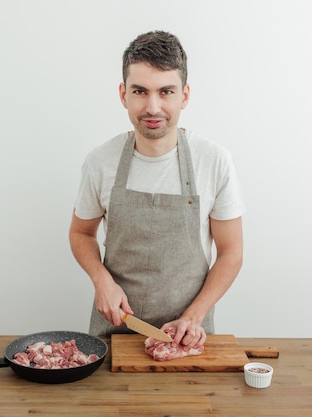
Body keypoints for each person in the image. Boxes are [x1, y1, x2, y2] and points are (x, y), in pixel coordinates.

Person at [69, 30, 244, 350]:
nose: (152, 107)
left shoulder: (215, 161)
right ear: (123, 94)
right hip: (114, 332)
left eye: (166, 91)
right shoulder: (100, 162)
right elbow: (81, 233)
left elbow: (231, 253)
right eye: (140, 91)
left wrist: (193, 317)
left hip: (188, 337)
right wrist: (100, 280)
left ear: (184, 95)